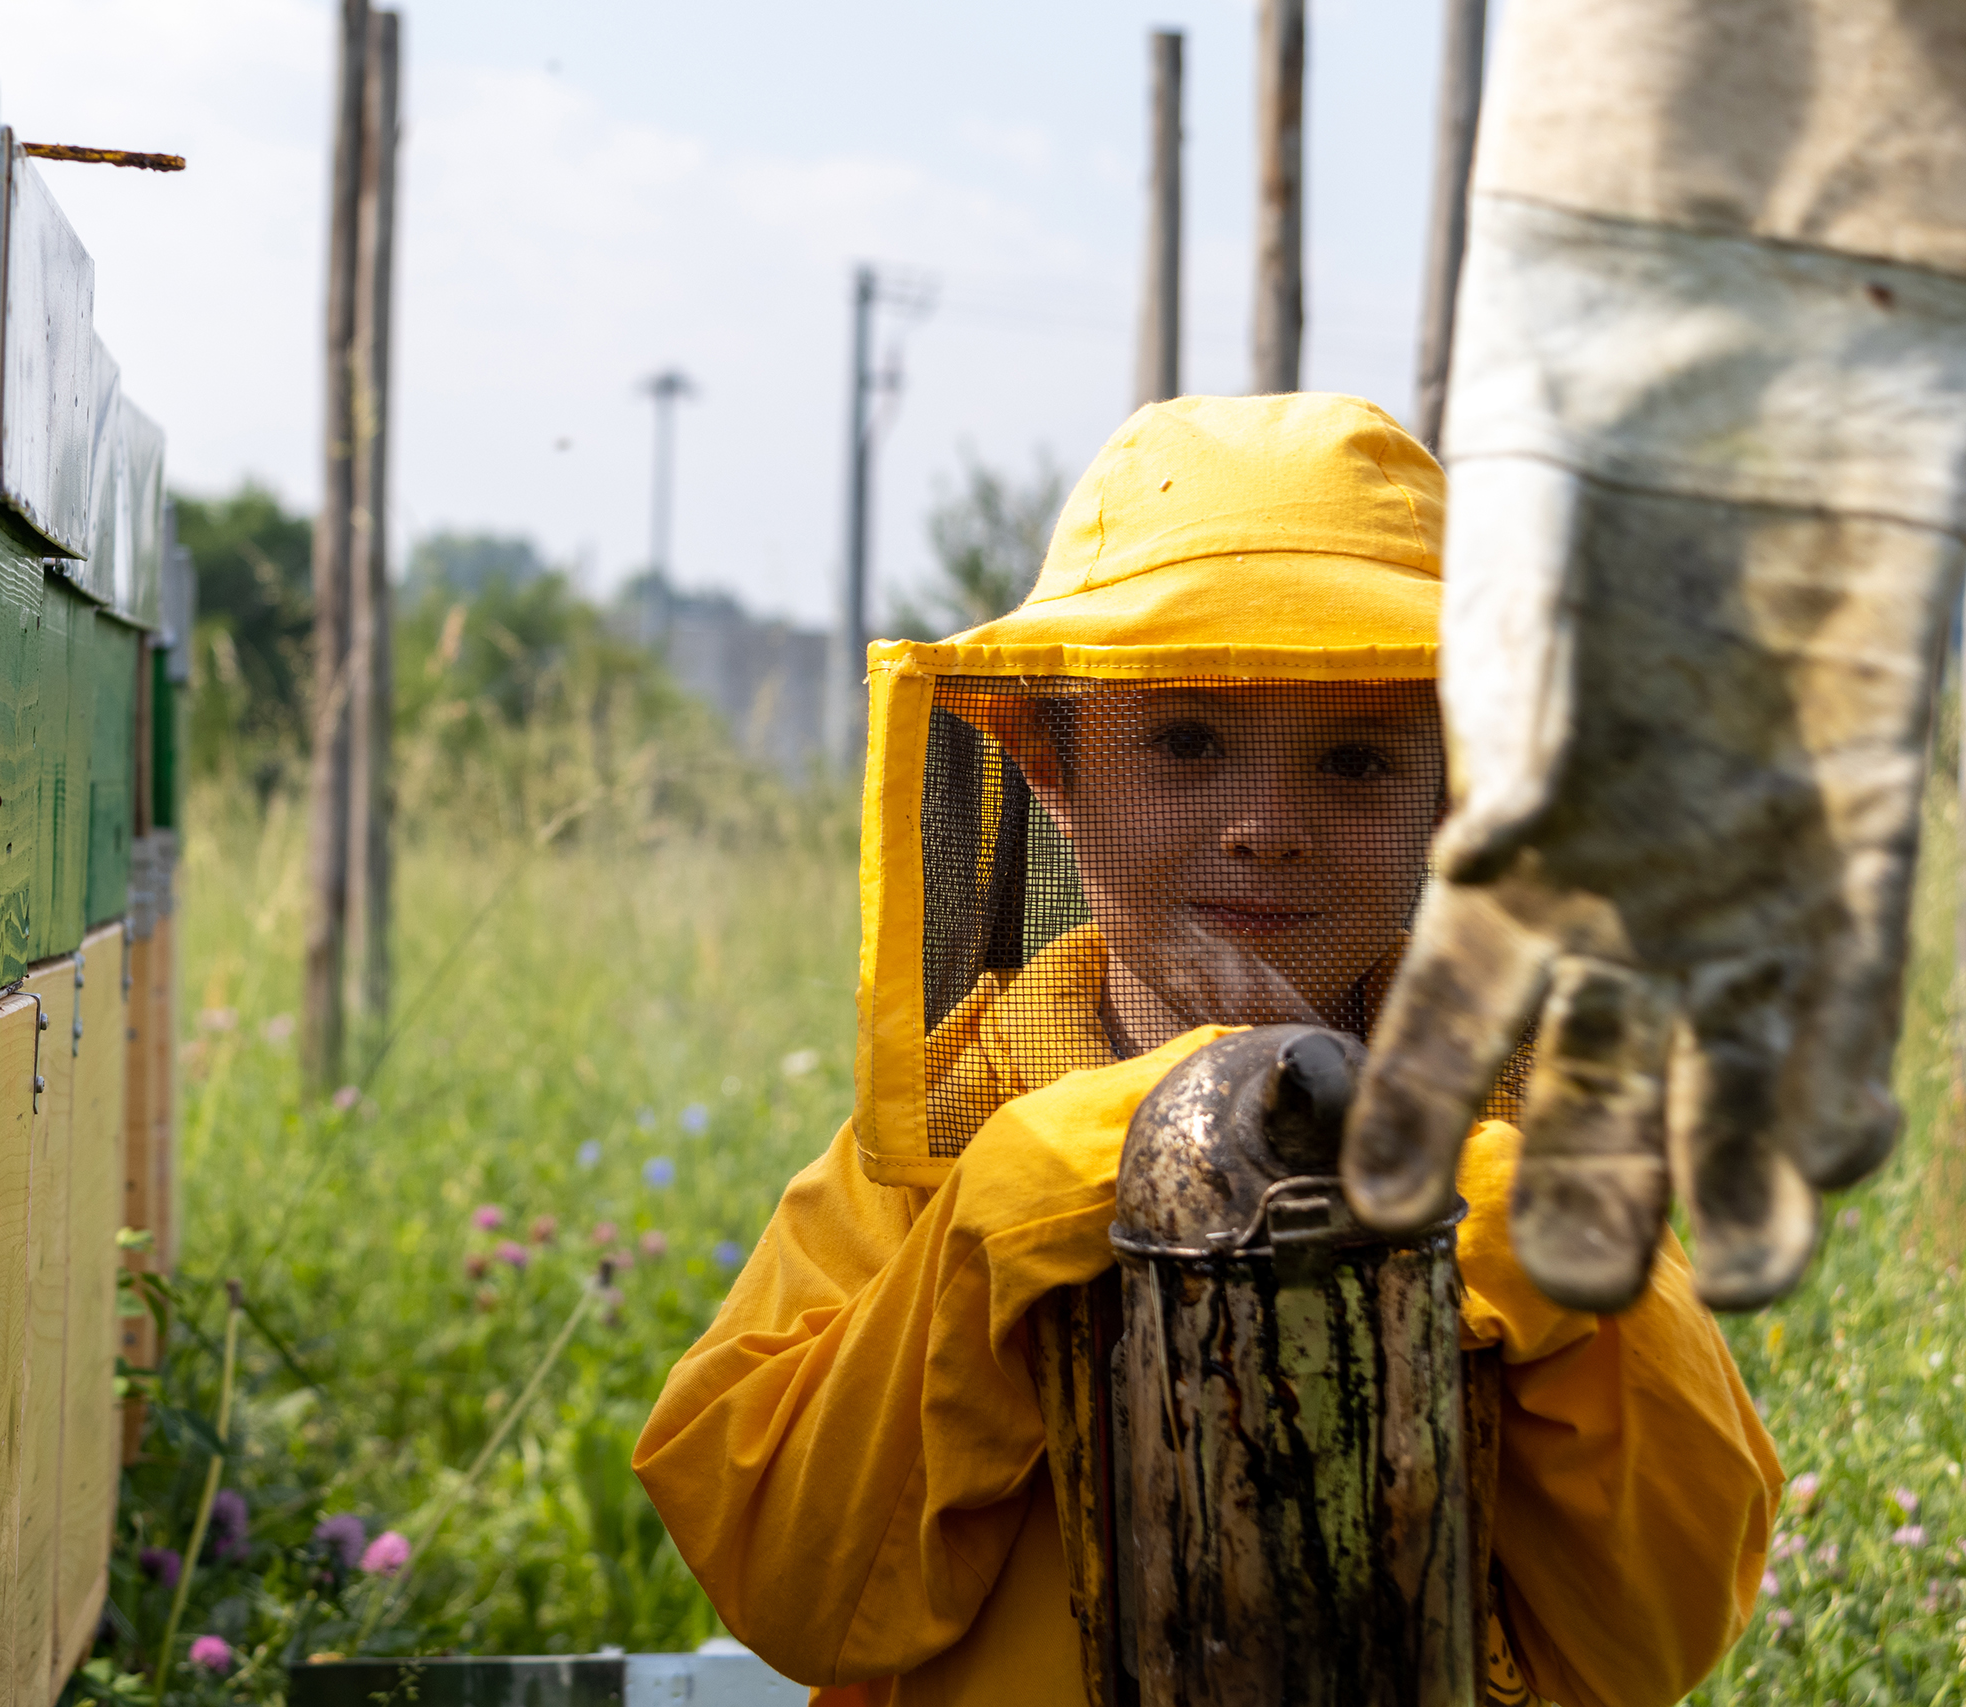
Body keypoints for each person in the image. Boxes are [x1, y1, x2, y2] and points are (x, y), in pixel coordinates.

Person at [632, 394, 1780, 1707]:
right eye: (1187, 743)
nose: (1265, 828)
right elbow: (797, 1586)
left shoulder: (1531, 1155)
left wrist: (1529, 1249)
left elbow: (1662, 1629)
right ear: (1046, 758)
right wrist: (997, 1228)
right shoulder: (938, 1154)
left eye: (1354, 761)